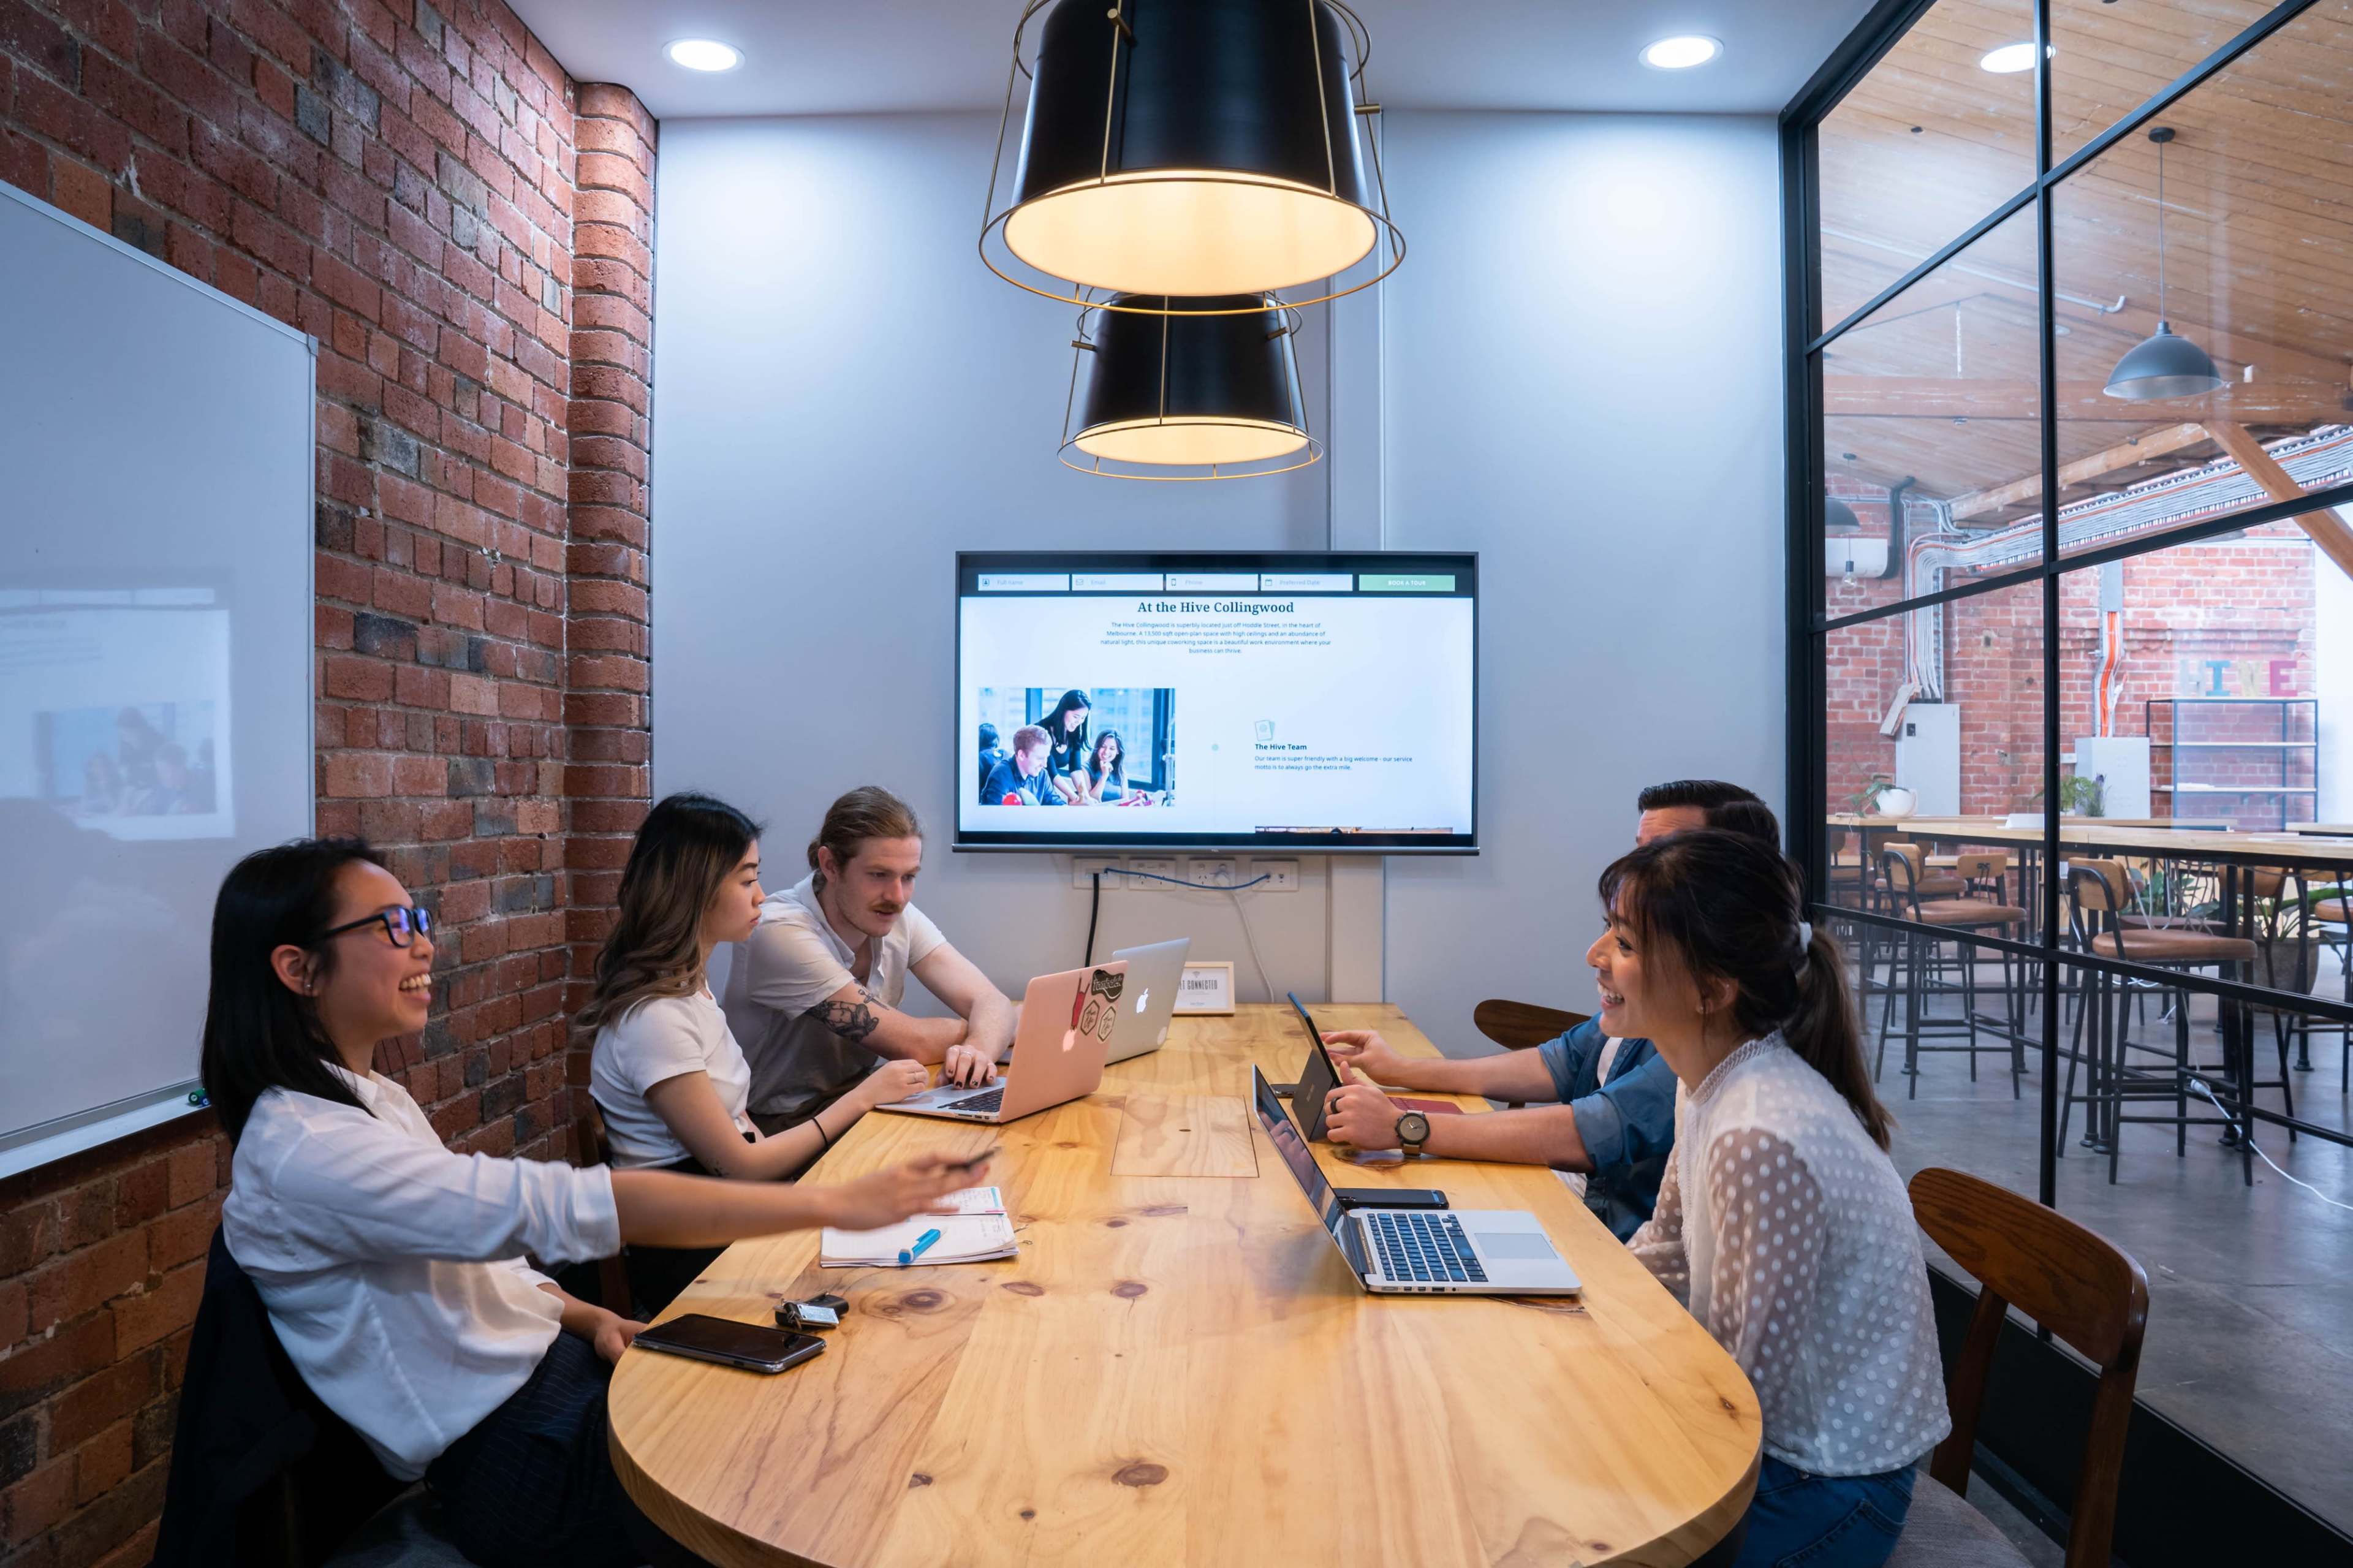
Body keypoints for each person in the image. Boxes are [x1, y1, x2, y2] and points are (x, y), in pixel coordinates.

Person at [204, 837, 976, 1568]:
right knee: (832, 1452)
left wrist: (590, 1318)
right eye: (393, 925)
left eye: (422, 921)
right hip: (520, 1467)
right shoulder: (309, 1149)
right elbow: (559, 1207)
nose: (423, 944)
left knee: (847, 1393)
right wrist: (838, 1204)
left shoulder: (366, 1101)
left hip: (560, 1385)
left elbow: (492, 1264)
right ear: (299, 970)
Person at [1602, 829, 1948, 1567]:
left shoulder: (1760, 1135)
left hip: (1829, 1482)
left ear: (1712, 990)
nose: (1599, 959)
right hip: (1783, 1457)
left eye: (1626, 945)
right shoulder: (1713, 1079)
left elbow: (1738, 1391)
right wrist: (1569, 1322)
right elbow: (1665, 1250)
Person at [1320, 779, 1778, 1238]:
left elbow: (1594, 1130)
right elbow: (1560, 1061)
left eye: (1667, 852)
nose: (1646, 870)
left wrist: (1406, 1127)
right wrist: (1399, 1068)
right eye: (1641, 851)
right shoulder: (1663, 1001)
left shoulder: (1719, 1048)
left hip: (1600, 1230)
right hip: (1590, 1219)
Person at [582, 794, 928, 1315]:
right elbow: (742, 1166)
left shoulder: (689, 992)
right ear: (695, 890)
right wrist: (863, 1097)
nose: (761, 896)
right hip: (692, 1249)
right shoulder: (654, 1018)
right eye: (747, 880)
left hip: (723, 1216)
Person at [723, 787, 1020, 1137]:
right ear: (830, 865)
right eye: (878, 875)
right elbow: (914, 1043)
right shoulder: (778, 931)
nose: (897, 896)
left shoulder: (894, 913)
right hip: (780, 1124)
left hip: (861, 1093)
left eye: (909, 877)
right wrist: (1000, 1026)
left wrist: (977, 1050)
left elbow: (989, 1000)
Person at [978, 725, 1062, 807]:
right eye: (1040, 758)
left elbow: (1054, 803)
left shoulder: (1042, 774)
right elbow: (997, 818)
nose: (1045, 764)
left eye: (1046, 757)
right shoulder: (1001, 775)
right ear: (1021, 755)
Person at [1037, 689, 1091, 802]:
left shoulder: (1074, 733)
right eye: (1076, 717)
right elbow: (1052, 773)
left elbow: (1076, 770)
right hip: (1035, 787)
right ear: (1063, 710)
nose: (1079, 722)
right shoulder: (1041, 732)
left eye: (1083, 718)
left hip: (1048, 788)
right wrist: (1077, 799)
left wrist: (1086, 796)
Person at [1082, 728, 1127, 803]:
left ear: (1118, 751)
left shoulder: (1121, 773)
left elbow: (1125, 802)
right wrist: (1104, 776)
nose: (1106, 752)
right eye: (1103, 747)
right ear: (1098, 747)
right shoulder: (1085, 769)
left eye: (1112, 749)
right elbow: (1090, 802)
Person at [976, 722, 1009, 804]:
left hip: (988, 803)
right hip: (1009, 801)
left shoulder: (979, 758)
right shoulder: (1007, 754)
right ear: (997, 739)